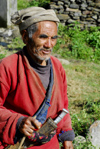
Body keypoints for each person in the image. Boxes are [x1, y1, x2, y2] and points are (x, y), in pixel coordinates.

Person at [0, 7, 75, 149]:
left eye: (53, 38)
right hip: (19, 144)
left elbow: (63, 105)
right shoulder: (7, 67)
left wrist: (66, 135)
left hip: (49, 145)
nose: (49, 44)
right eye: (43, 37)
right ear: (25, 36)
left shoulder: (57, 67)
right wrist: (18, 122)